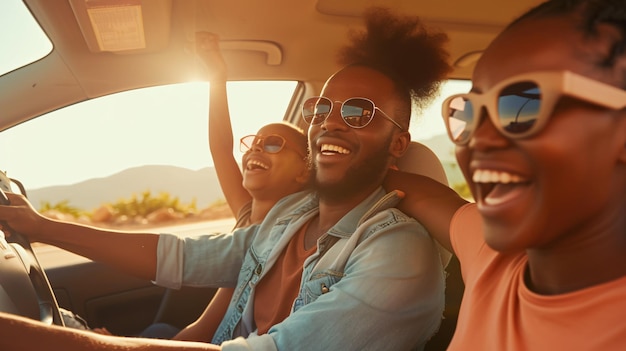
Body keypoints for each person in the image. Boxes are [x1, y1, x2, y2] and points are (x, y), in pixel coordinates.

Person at [0, 7, 452, 350]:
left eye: (358, 112)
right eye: (321, 108)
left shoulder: (398, 252)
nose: (330, 122)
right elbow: (181, 257)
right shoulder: (290, 216)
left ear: (398, 144)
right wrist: (42, 228)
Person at [386, 0, 626, 348]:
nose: (478, 138)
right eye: (470, 112)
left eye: (522, 105)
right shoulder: (494, 258)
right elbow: (429, 197)